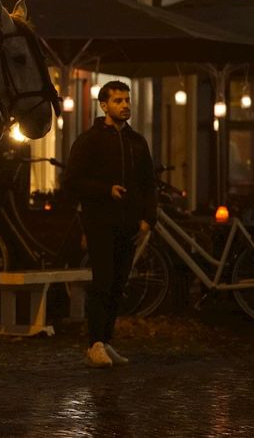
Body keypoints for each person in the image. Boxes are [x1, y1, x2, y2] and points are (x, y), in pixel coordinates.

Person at [62, 81, 157, 368]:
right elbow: (71, 181)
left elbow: (148, 184)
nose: (125, 105)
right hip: (100, 221)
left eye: (127, 100)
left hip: (129, 224)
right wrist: (106, 190)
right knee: (102, 282)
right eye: (118, 100)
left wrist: (147, 220)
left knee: (118, 284)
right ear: (103, 105)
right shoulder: (89, 140)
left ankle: (107, 340)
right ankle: (95, 344)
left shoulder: (137, 142)